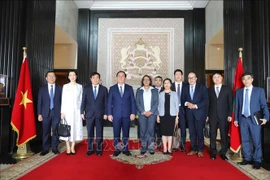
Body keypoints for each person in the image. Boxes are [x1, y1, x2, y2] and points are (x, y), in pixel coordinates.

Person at [235, 72, 269, 169]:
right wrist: (236, 119)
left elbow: (264, 105)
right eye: (244, 79)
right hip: (243, 119)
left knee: (256, 140)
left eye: (248, 78)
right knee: (245, 140)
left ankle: (257, 160)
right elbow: (237, 107)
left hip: (254, 119)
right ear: (242, 81)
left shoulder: (259, 91)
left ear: (252, 79)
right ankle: (247, 158)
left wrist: (266, 118)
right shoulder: (239, 92)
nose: (246, 81)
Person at [107, 71, 136, 157]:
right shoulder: (112, 88)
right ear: (116, 78)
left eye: (122, 76)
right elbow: (109, 102)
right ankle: (117, 149)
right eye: (119, 76)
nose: (120, 77)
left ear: (125, 78)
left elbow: (132, 102)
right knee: (116, 133)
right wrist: (109, 114)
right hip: (115, 115)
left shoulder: (129, 88)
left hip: (127, 115)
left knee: (126, 133)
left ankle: (125, 149)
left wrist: (133, 113)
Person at [81, 72, 108, 156]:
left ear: (99, 79)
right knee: (90, 132)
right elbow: (83, 101)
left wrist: (106, 113)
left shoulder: (104, 89)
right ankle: (90, 149)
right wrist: (82, 112)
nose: (95, 79)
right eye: (94, 77)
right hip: (89, 114)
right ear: (91, 79)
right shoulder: (86, 89)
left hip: (100, 114)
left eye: (97, 77)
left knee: (99, 132)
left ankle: (99, 149)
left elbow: (106, 103)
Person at [182, 72, 208, 158]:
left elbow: (205, 100)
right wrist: (186, 103)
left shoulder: (202, 87)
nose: (191, 79)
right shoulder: (185, 87)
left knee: (199, 132)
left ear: (196, 78)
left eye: (192, 78)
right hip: (189, 113)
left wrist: (196, 106)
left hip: (199, 113)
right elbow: (182, 99)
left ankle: (200, 150)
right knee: (192, 132)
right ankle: (193, 149)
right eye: (189, 78)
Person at [207, 72, 232, 160]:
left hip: (224, 115)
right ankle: (213, 152)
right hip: (212, 115)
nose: (217, 79)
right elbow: (208, 104)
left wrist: (229, 114)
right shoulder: (209, 90)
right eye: (214, 77)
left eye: (218, 77)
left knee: (223, 134)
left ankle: (223, 152)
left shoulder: (227, 89)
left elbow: (230, 103)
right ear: (212, 79)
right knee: (212, 134)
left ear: (222, 78)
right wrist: (207, 115)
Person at [37, 71, 62, 156]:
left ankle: (55, 148)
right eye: (49, 76)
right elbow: (39, 102)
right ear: (46, 78)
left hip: (56, 113)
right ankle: (45, 149)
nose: (51, 78)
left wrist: (62, 112)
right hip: (45, 113)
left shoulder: (60, 88)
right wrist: (39, 114)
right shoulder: (42, 88)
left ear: (55, 78)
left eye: (53, 76)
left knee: (55, 131)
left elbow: (63, 102)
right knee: (46, 132)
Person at [60, 70, 83, 155]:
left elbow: (81, 100)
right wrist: (62, 112)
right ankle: (68, 147)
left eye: (74, 75)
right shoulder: (65, 86)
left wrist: (81, 111)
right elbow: (63, 100)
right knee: (67, 128)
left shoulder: (80, 87)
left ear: (76, 76)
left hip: (76, 111)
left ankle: (73, 146)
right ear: (68, 77)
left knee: (74, 128)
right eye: (70, 75)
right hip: (67, 111)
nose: (72, 77)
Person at [136, 75, 159, 155]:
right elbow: (137, 103)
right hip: (142, 114)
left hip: (152, 114)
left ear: (150, 81)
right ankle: (143, 147)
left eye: (148, 80)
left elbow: (156, 102)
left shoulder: (155, 90)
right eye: (144, 80)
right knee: (143, 131)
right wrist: (143, 111)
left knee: (151, 131)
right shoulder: (139, 90)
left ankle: (151, 148)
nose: (146, 81)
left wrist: (151, 111)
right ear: (142, 81)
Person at [157, 78, 179, 155]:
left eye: (168, 83)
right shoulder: (160, 94)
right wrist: (158, 116)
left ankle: (169, 148)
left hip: (172, 115)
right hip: (163, 115)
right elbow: (158, 106)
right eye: (165, 83)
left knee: (170, 133)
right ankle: (165, 148)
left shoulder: (174, 93)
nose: (166, 84)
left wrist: (177, 117)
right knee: (164, 133)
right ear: (163, 85)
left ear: (170, 84)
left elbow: (177, 106)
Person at [171, 69, 188, 152]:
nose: (178, 76)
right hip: (173, 109)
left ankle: (183, 144)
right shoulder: (170, 85)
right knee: (174, 127)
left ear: (182, 75)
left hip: (183, 109)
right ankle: (175, 145)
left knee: (183, 128)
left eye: (179, 74)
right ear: (174, 76)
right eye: (176, 74)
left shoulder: (186, 85)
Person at [154, 76, 163, 150]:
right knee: (152, 129)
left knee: (160, 129)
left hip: (162, 113)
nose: (157, 82)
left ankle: (159, 143)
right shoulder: (151, 89)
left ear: (161, 82)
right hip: (153, 112)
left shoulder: (164, 90)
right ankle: (153, 143)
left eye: (159, 80)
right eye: (156, 80)